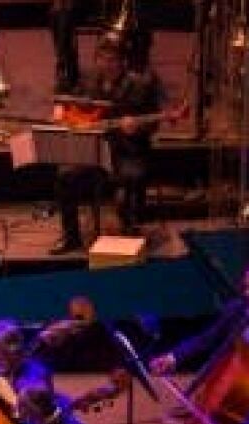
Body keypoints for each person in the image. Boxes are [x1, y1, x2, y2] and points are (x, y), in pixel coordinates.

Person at [48, 33, 165, 256]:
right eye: (102, 59)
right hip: (94, 150)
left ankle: (130, 231)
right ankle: (71, 236)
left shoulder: (140, 85)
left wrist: (136, 128)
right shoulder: (89, 81)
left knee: (131, 176)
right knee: (65, 176)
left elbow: (153, 123)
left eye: (112, 60)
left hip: (127, 151)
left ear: (123, 61)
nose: (107, 64)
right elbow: (73, 104)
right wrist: (61, 110)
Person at [152, 263, 249, 376]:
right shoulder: (236, 308)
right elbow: (206, 338)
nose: (247, 293)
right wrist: (172, 357)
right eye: (245, 287)